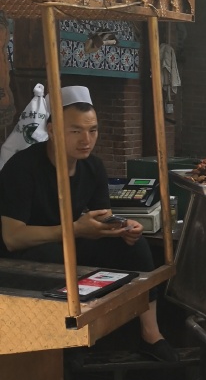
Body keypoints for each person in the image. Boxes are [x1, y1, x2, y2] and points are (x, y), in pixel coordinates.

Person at [0, 86, 177, 362]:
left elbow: (100, 217)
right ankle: (66, 348)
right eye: (76, 131)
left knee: (135, 246)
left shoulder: (93, 167)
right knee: (55, 257)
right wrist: (75, 229)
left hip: (71, 242)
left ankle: (150, 334)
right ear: (52, 130)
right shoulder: (22, 168)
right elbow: (12, 237)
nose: (86, 140)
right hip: (27, 255)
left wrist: (122, 226)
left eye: (92, 130)